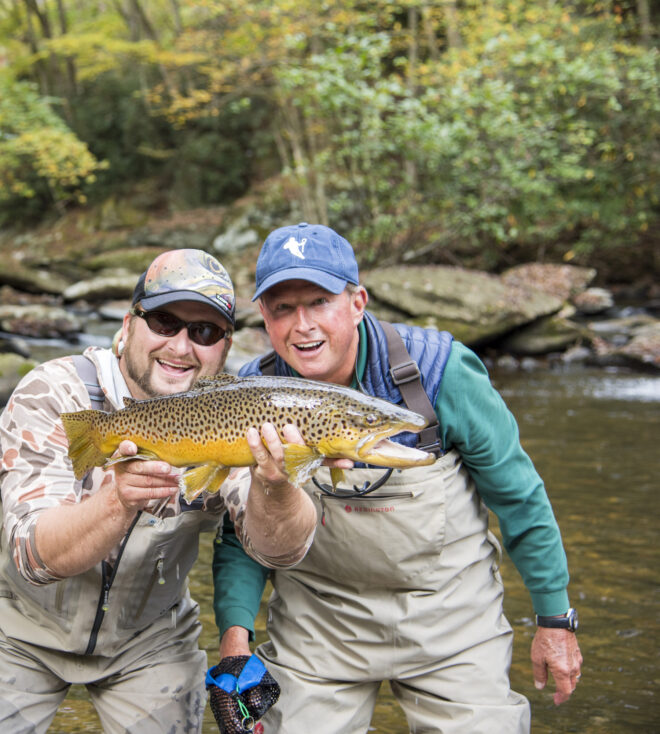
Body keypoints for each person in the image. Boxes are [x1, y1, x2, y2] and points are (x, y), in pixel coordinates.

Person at [212, 223, 584, 733]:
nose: (302, 326)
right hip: (318, 625)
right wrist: (235, 644)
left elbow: (519, 496)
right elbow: (241, 534)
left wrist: (554, 620)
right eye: (282, 309)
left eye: (319, 302)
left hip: (452, 622)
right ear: (264, 319)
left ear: (358, 301)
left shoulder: (440, 372)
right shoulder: (249, 397)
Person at [0, 249, 328, 734]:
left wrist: (276, 487)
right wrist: (117, 500)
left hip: (151, 639)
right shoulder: (54, 394)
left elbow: (277, 550)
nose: (182, 346)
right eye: (165, 322)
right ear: (128, 326)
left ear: (225, 349)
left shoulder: (238, 417)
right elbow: (31, 558)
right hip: (15, 629)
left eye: (205, 332)